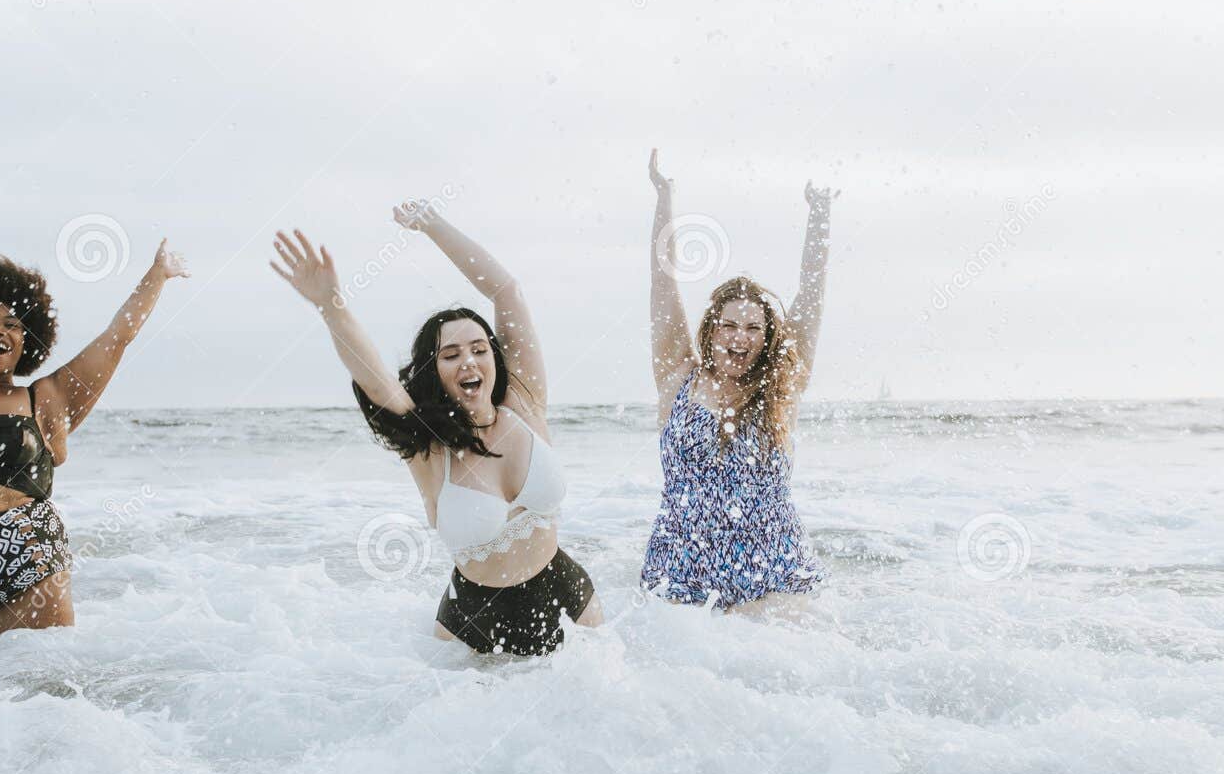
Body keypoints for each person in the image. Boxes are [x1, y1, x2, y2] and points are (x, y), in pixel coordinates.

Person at [268, 201, 603, 655]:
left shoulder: (525, 403)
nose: (469, 360)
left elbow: (507, 291)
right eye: (451, 355)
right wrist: (332, 306)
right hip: (476, 626)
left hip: (569, 602)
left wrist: (431, 224)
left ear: (493, 358)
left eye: (479, 348)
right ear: (437, 373)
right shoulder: (428, 448)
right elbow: (376, 381)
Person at [0, 190, 189, 636]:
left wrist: (157, 276)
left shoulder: (47, 397)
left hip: (24, 565)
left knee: (29, 694)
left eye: (12, 324)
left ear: (28, 340)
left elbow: (115, 339)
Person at [640, 150, 831, 613]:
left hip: (773, 577)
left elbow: (809, 295)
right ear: (710, 330)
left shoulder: (783, 387)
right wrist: (664, 199)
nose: (739, 338)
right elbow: (662, 283)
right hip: (682, 574)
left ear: (767, 339)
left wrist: (820, 217)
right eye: (729, 326)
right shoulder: (678, 377)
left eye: (752, 329)